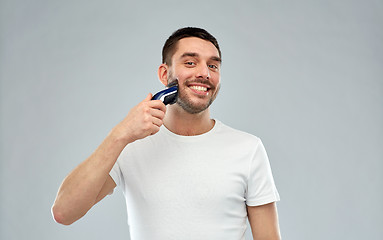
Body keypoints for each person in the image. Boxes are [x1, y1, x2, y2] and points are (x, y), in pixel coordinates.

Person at [52, 27, 281, 240]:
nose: (204, 73)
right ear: (164, 74)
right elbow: (64, 212)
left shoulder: (247, 149)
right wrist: (120, 134)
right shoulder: (131, 145)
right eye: (190, 63)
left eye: (213, 66)